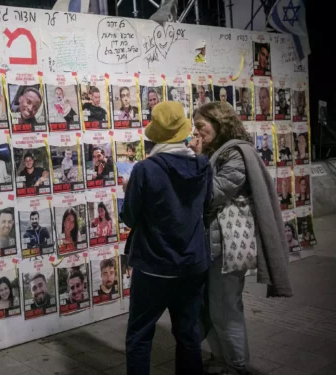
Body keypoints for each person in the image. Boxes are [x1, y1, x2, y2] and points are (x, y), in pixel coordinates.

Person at [194, 101, 292, 375]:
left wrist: (198, 160)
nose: (197, 133)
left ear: (219, 123)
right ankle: (220, 357)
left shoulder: (236, 153)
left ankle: (235, 364)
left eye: (201, 126)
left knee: (226, 307)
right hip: (215, 244)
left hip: (226, 246)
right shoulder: (221, 151)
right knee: (215, 306)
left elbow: (212, 194)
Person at [122, 101, 213, 375]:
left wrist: (129, 191)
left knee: (140, 335)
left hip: (153, 266)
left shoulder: (145, 170)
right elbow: (206, 207)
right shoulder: (203, 166)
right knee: (188, 334)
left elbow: (129, 217)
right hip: (192, 264)